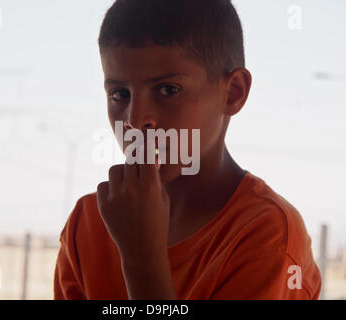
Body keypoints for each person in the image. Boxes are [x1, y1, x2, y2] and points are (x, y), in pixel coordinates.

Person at [53, 0, 322, 299]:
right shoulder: (88, 223)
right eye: (119, 94)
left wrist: (141, 256)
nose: (136, 120)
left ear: (233, 93)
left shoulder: (267, 237)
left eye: (167, 90)